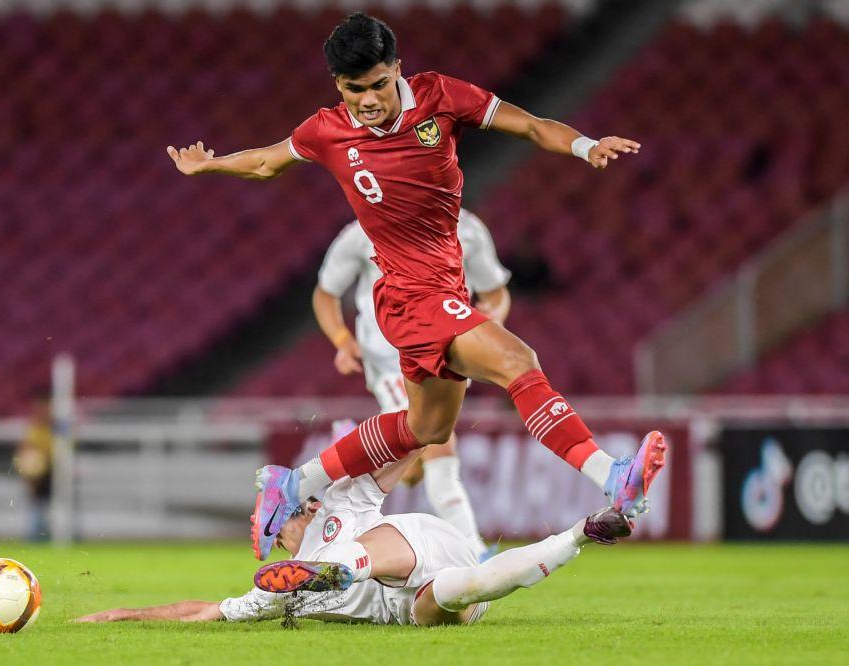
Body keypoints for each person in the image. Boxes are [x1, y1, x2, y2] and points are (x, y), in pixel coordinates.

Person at [166, 13, 666, 561]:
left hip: (441, 287)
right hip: (412, 297)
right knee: (519, 360)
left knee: (426, 427)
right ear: (338, 86)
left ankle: (295, 484)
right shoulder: (327, 129)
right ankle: (609, 476)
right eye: (356, 90)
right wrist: (210, 166)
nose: (370, 99)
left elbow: (528, 125)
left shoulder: (441, 97)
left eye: (379, 84)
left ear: (397, 70)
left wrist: (584, 146)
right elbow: (266, 163)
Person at [75, 451, 634, 627]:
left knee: (368, 555)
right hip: (415, 602)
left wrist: (427, 419)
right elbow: (204, 613)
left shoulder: (338, 501)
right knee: (462, 593)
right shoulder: (274, 587)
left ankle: (346, 567)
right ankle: (584, 533)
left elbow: (406, 445)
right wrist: (123, 615)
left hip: (407, 544)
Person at [313, 208, 511, 557]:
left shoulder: (468, 229)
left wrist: (493, 316)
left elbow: (495, 292)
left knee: (415, 464)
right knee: (439, 442)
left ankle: (356, 445)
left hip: (447, 352)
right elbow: (325, 292)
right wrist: (342, 340)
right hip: (390, 359)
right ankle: (474, 548)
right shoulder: (364, 230)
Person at [13, 397, 54, 542]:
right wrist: (28, 471)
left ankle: (51, 534)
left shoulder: (55, 429)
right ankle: (35, 536)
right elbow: (25, 452)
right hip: (37, 474)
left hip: (53, 472)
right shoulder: (33, 430)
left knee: (51, 505)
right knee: (36, 505)